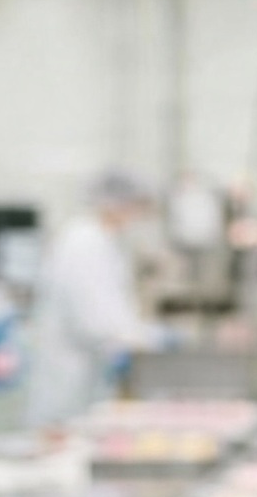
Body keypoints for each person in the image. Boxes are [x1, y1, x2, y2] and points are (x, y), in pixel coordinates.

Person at [26, 169, 162, 427]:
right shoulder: (84, 241)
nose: (138, 215)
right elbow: (94, 317)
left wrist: (134, 335)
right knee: (64, 437)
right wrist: (141, 338)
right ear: (116, 203)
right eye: (136, 206)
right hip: (69, 373)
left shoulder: (103, 241)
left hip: (87, 370)